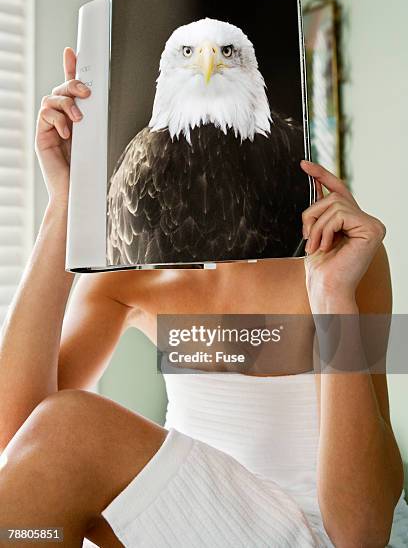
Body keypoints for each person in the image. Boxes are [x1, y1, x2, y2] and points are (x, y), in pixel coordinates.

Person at [0, 47, 407, 548]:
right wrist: (68, 204)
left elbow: (362, 534)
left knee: (72, 424)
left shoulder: (339, 259)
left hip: (314, 531)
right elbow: (17, 446)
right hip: (194, 525)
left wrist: (331, 297)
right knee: (59, 435)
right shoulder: (130, 273)